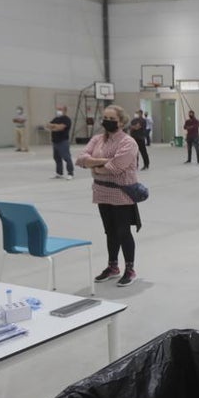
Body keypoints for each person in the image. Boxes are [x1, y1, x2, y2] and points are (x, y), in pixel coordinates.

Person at [76, 105, 141, 287]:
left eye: (111, 118)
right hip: (101, 192)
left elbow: (117, 167)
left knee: (123, 232)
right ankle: (113, 267)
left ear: (120, 122)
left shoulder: (128, 142)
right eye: (105, 117)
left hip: (121, 193)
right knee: (110, 232)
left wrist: (94, 165)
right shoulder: (97, 139)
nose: (107, 121)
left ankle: (130, 269)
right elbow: (81, 159)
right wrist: (102, 162)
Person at [47, 105, 74, 180]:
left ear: (64, 110)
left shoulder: (66, 119)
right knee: (57, 158)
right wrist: (55, 126)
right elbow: (48, 125)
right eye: (58, 109)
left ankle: (70, 173)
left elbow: (61, 127)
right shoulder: (56, 119)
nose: (58, 111)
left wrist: (54, 127)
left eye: (60, 109)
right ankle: (59, 173)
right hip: (55, 142)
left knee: (66, 157)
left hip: (63, 142)